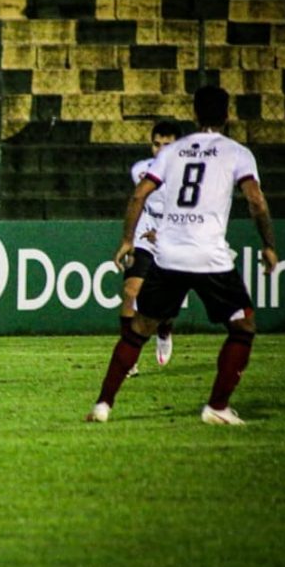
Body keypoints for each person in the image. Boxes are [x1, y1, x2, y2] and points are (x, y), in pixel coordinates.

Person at [86, 86, 278, 425]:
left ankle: (103, 404)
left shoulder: (173, 152)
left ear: (194, 114)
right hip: (209, 255)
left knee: (138, 328)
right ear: (227, 115)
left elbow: (139, 195)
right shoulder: (237, 153)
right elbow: (256, 200)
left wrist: (128, 239)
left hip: (169, 254)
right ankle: (217, 406)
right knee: (243, 325)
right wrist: (269, 244)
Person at [121, 119, 183, 377]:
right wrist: (129, 239)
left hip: (175, 235)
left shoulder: (189, 175)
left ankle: (164, 329)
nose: (160, 150)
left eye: (167, 145)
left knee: (164, 304)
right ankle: (128, 359)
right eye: (156, 144)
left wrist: (164, 232)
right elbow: (138, 200)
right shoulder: (140, 170)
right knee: (131, 290)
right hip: (144, 232)